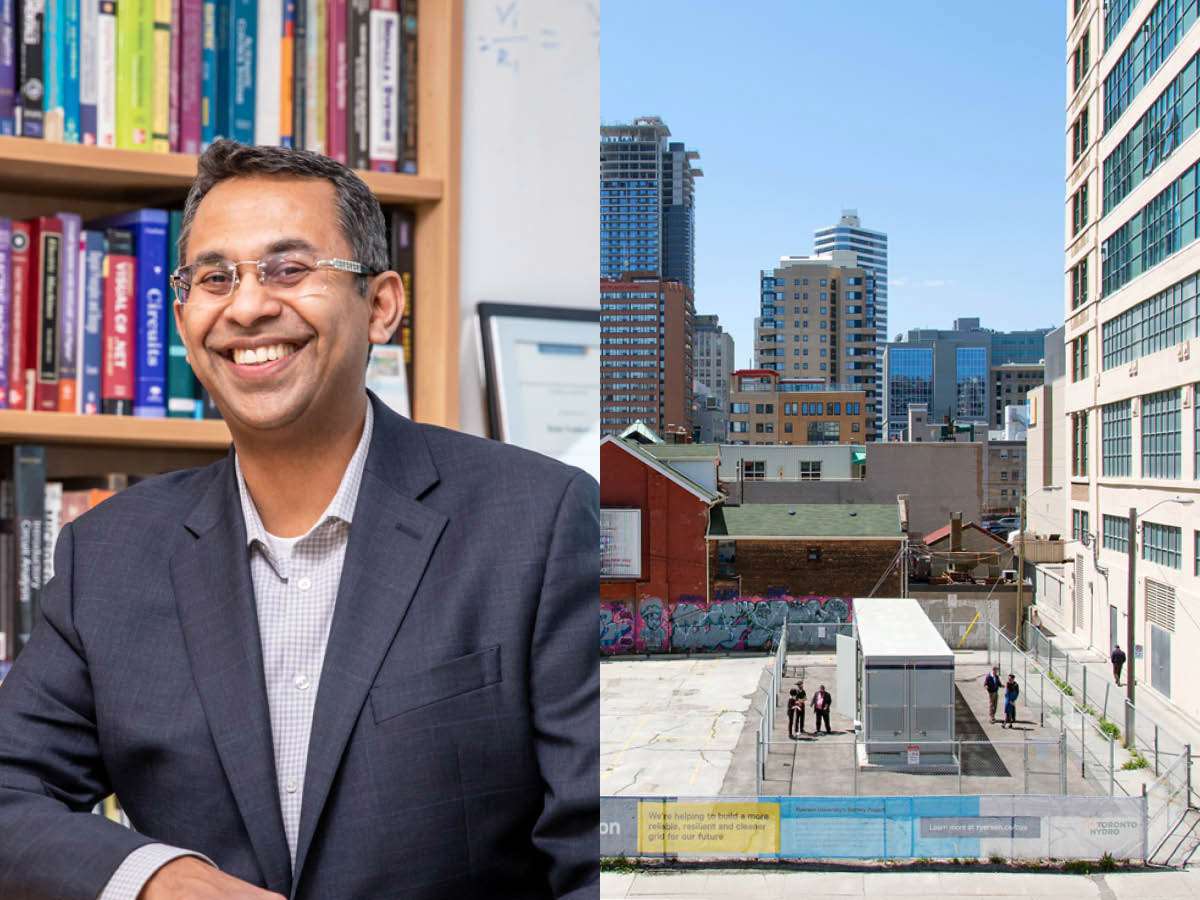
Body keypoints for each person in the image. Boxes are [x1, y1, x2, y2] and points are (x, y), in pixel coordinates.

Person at [0, 141, 599, 899]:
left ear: (380, 305)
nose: (248, 307)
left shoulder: (536, 522)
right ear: (183, 317)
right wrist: (158, 879)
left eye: (289, 269)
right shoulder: (108, 554)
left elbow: (600, 853)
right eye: (215, 278)